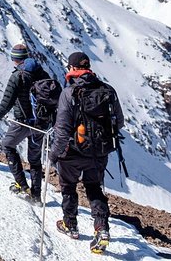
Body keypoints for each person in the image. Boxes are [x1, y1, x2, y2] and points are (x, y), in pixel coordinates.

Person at [49, 51, 124, 253]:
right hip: (98, 153)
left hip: (72, 153)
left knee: (68, 187)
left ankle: (70, 225)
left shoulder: (69, 93)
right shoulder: (108, 91)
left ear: (73, 69)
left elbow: (62, 130)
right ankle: (102, 229)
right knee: (94, 188)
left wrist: (53, 155)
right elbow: (120, 121)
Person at [0, 43, 51, 203]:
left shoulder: (17, 77)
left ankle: (22, 185)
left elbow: (6, 103)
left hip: (22, 123)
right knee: (35, 160)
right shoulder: (42, 73)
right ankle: (36, 195)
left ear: (14, 59)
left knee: (7, 145)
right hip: (41, 124)